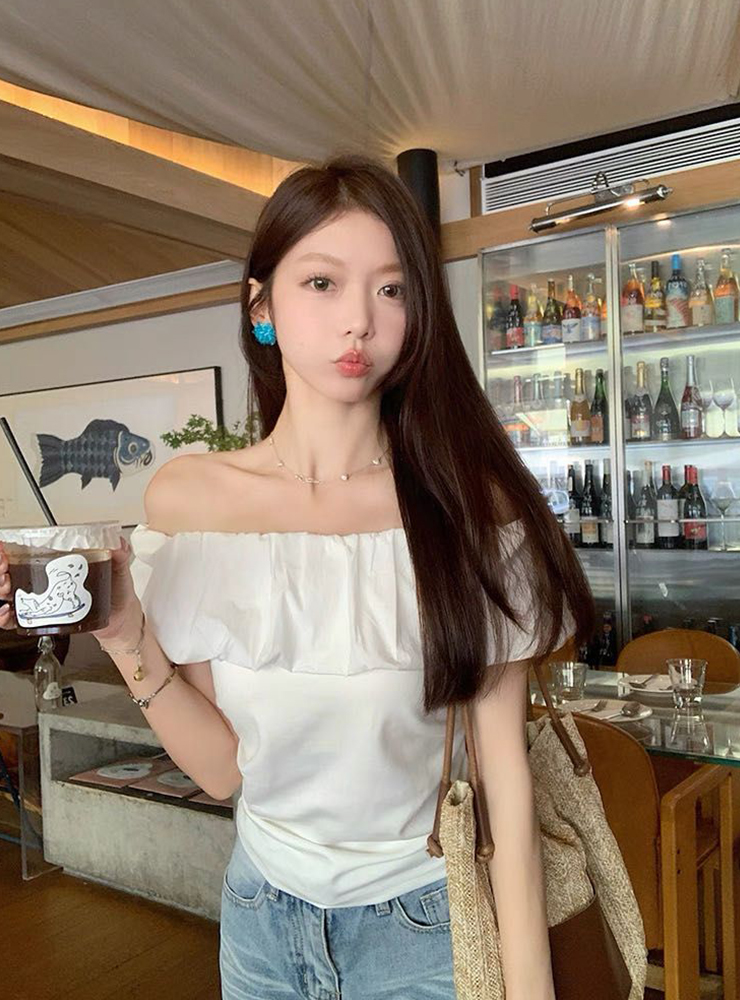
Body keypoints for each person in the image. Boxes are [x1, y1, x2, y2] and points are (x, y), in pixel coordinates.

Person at [0, 153, 593, 1000]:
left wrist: (529, 989)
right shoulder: (193, 500)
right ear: (262, 306)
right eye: (322, 282)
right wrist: (124, 630)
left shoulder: (465, 506)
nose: (359, 320)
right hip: (260, 924)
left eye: (392, 289)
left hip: (426, 927)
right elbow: (225, 773)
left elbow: (508, 782)